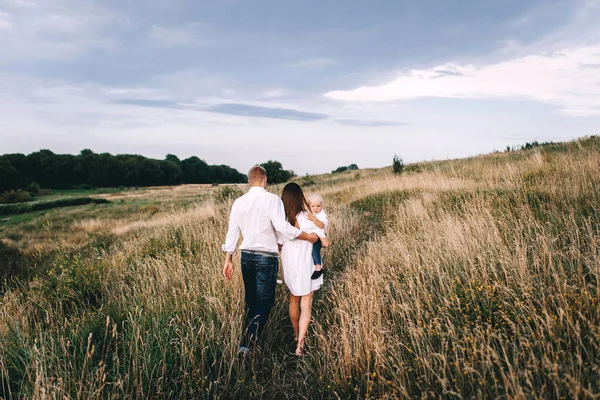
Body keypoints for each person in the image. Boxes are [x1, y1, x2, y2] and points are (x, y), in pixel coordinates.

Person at [222, 166, 318, 356]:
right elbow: (282, 227)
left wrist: (228, 259)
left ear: (249, 181)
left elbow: (232, 232)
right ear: (265, 180)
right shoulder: (272, 199)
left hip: (246, 256)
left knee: (251, 300)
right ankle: (247, 344)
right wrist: (306, 236)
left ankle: (250, 338)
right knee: (265, 302)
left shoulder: (239, 202)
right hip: (266, 256)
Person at [278, 183, 329, 356]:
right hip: (305, 260)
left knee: (293, 299)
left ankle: (294, 334)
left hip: (290, 260)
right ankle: (300, 345)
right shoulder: (306, 217)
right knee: (306, 302)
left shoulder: (281, 218)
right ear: (301, 197)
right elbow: (318, 235)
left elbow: (279, 243)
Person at [305, 193, 329, 279]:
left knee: (315, 250)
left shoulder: (321, 215)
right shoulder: (308, 213)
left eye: (318, 206)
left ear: (322, 206)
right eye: (313, 206)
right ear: (308, 206)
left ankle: (318, 268)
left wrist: (314, 219)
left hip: (319, 234)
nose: (316, 208)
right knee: (313, 250)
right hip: (311, 234)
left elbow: (321, 225)